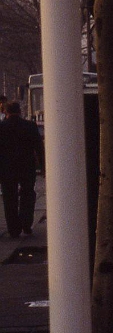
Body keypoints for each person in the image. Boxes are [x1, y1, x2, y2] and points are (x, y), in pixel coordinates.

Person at [0, 101, 44, 237]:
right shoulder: (30, 126)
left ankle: (13, 229)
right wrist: (43, 167)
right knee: (28, 194)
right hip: (27, 166)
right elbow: (39, 148)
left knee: (9, 197)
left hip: (6, 168)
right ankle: (26, 223)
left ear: (6, 112)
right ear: (19, 111)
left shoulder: (1, 127)